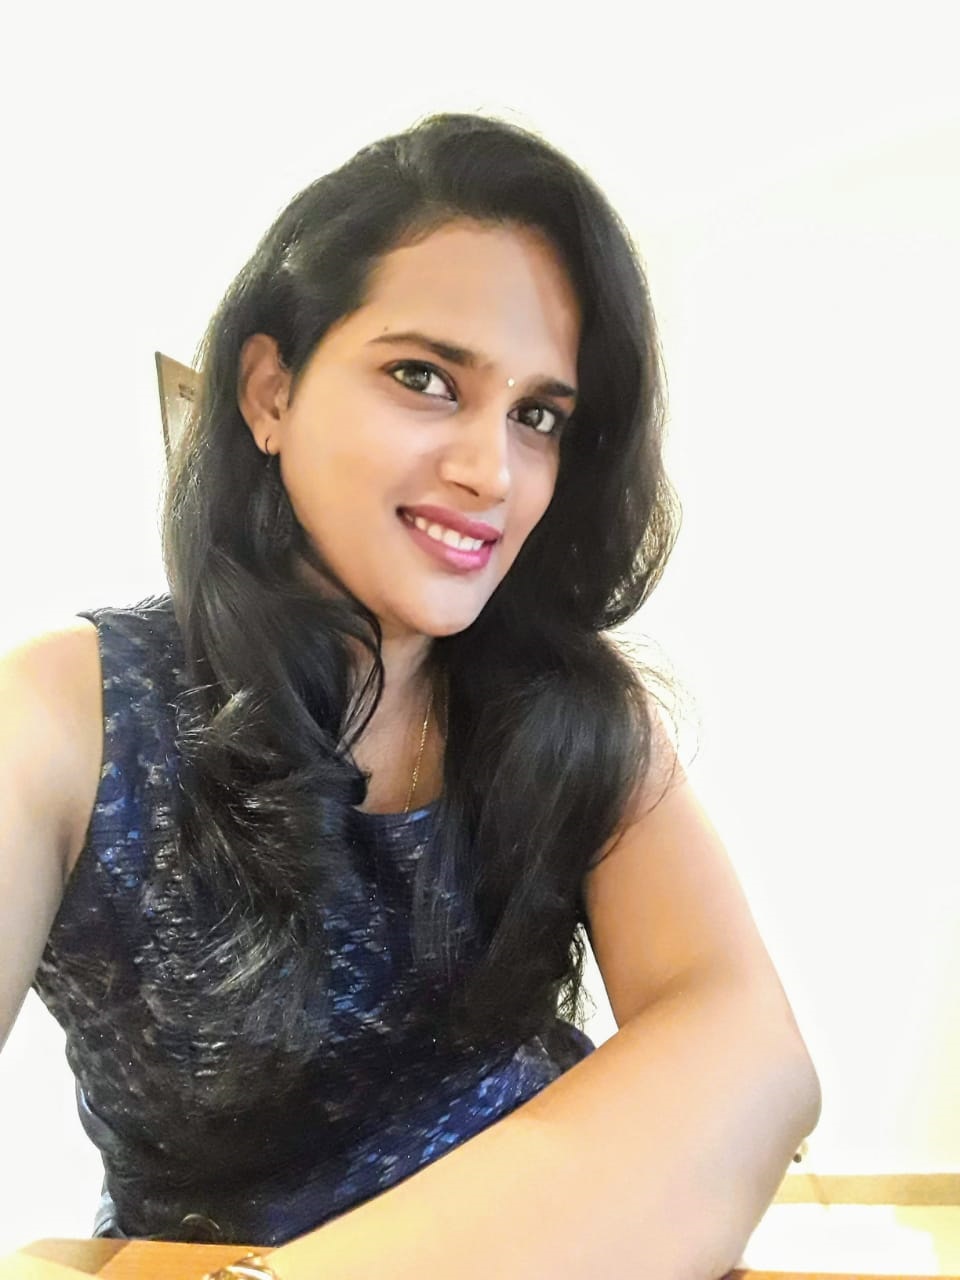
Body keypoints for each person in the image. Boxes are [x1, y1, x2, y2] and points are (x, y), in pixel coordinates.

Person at [0, 112, 820, 1279]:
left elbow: (752, 1050)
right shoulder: (65, 712)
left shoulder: (580, 712)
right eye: (426, 378)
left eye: (538, 415)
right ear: (270, 391)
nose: (492, 470)